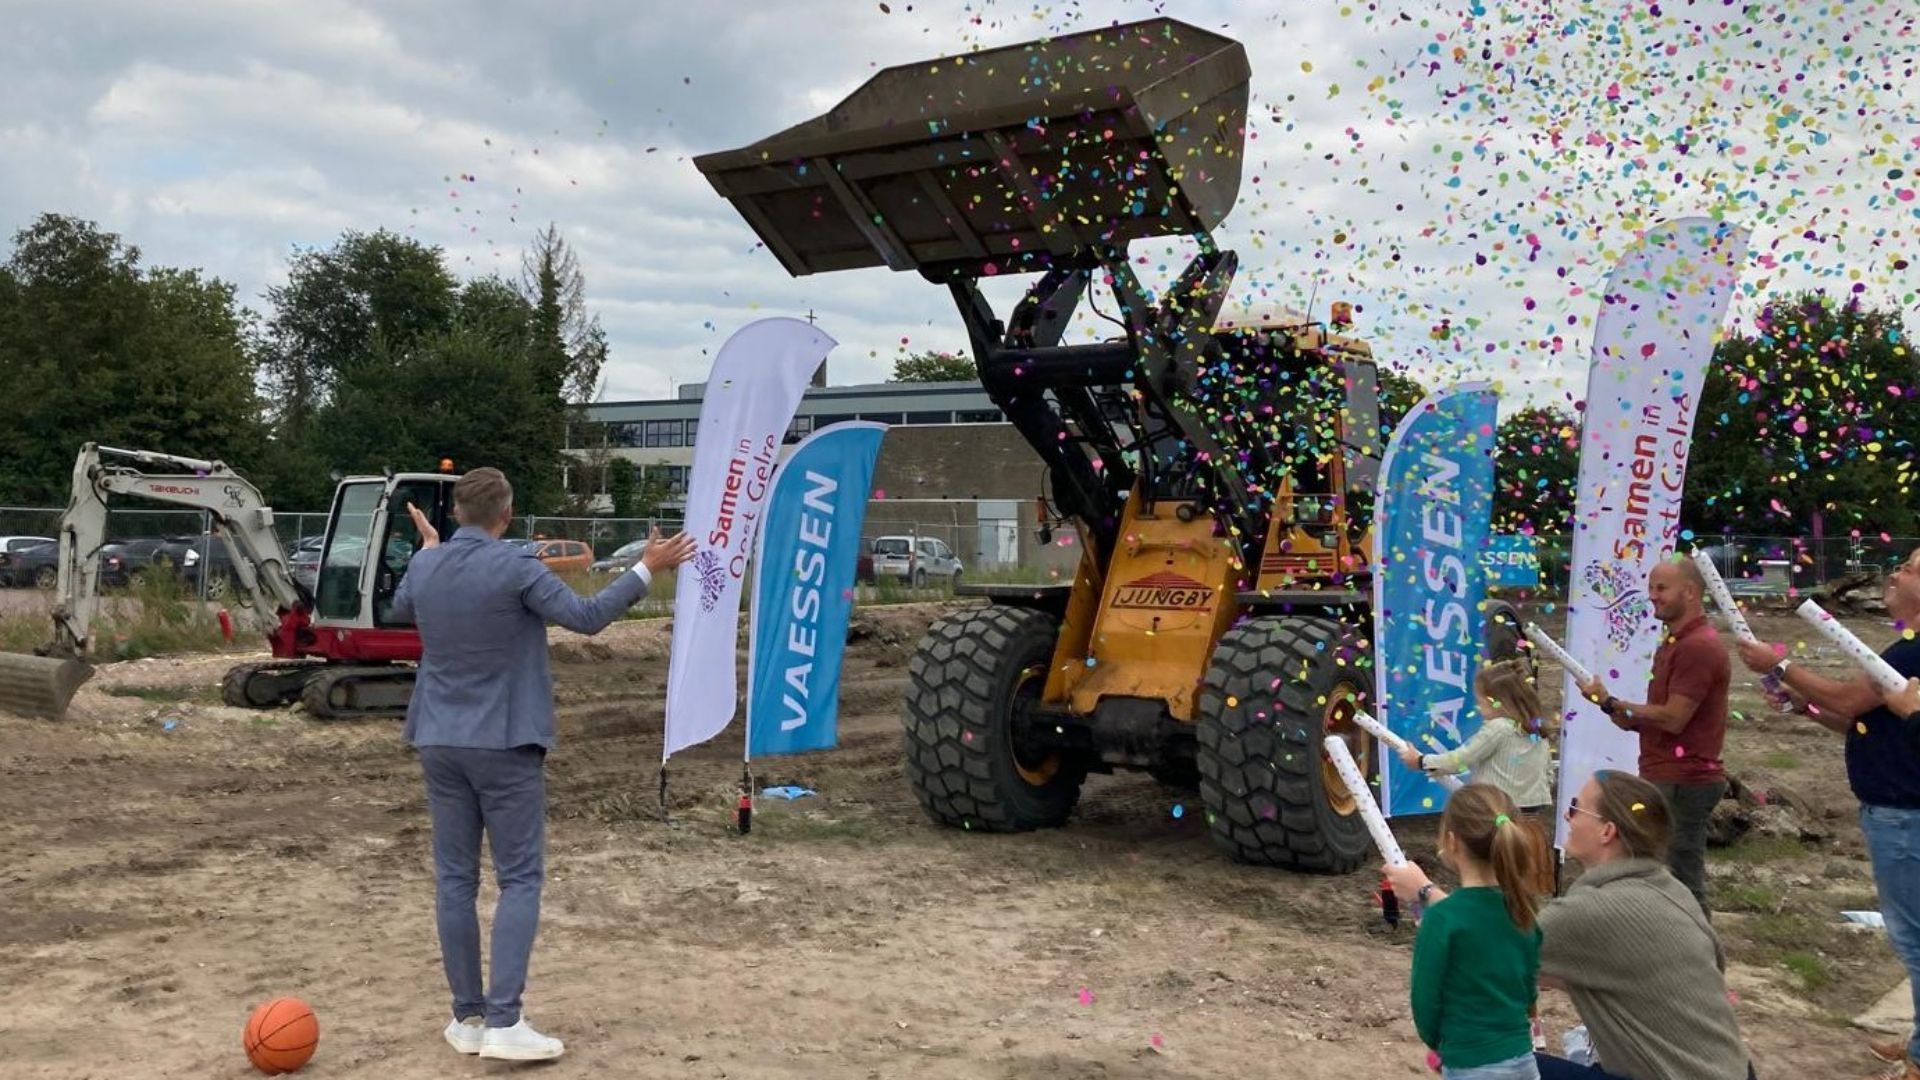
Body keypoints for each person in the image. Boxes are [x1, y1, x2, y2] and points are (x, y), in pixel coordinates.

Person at [392, 468, 695, 1061]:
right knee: (519, 878)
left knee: (455, 880)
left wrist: (427, 552)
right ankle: (505, 1021)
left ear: (456, 513)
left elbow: (405, 607)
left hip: (438, 737)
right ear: (506, 515)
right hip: (504, 740)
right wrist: (647, 568)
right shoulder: (518, 566)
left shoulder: (427, 565)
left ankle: (468, 1018)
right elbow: (587, 617)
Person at [1388, 771, 1755, 1080]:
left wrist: (1424, 892)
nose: (1566, 816)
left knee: (1481, 1061)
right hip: (1733, 1070)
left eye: (1576, 808)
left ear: (1607, 832)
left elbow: (1492, 946)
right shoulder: (1673, 889)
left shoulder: (1594, 911)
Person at [1737, 547, 1920, 1078]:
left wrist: (1782, 665)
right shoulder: (1906, 649)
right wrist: (1804, 707)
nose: (1895, 573)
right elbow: (1862, 723)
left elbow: (1848, 698)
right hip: (1894, 813)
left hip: (1903, 816)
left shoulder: (1912, 656)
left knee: (1913, 938)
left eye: (1908, 568)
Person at [1578, 557, 1731, 913]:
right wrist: (1607, 705)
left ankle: (1698, 960)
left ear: (1690, 592)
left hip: (1684, 781)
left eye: (1661, 588)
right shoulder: (1675, 643)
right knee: (1660, 875)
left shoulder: (1698, 647)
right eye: (1650, 588)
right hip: (1667, 776)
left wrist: (1616, 702)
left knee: (1681, 881)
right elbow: (1650, 719)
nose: (1652, 596)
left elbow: (1674, 718)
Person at [1385, 783, 1545, 1080]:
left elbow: (1425, 1002)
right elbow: (1528, 994)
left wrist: (1442, 1046)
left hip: (1470, 1063)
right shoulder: (1524, 912)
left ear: (1452, 842)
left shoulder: (1443, 918)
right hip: (1523, 1061)